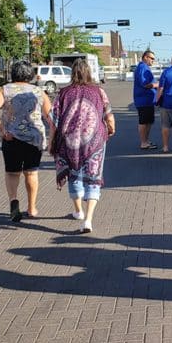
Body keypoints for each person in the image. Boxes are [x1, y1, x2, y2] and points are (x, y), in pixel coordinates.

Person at [51, 58, 115, 234]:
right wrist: (111, 129)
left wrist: (51, 141)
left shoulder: (63, 93)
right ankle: (88, 219)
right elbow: (108, 114)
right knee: (93, 176)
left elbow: (54, 120)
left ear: (72, 73)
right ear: (89, 73)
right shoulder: (98, 91)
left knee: (74, 174)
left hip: (68, 141)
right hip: (94, 140)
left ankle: (78, 210)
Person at [0, 60, 54, 222]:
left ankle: (13, 201)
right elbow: (50, 115)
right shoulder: (38, 92)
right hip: (34, 138)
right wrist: (52, 136)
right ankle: (31, 207)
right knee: (31, 172)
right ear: (30, 74)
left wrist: (2, 129)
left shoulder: (6, 90)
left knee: (12, 172)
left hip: (11, 137)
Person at [133, 50, 159, 150]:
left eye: (154, 59)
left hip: (148, 100)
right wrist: (157, 85)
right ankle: (143, 142)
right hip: (143, 100)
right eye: (151, 58)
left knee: (148, 122)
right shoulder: (142, 67)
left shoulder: (145, 67)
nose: (153, 60)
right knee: (143, 122)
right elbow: (145, 84)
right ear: (145, 57)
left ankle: (146, 141)